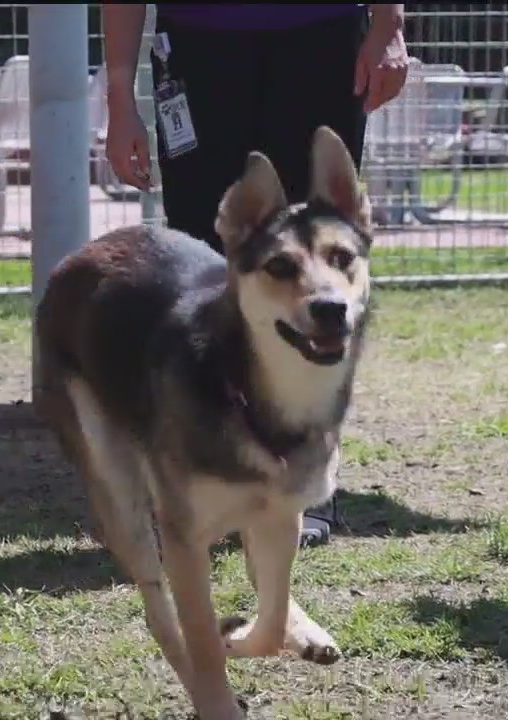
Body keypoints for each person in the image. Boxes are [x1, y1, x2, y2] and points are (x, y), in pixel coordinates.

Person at [102, 4, 409, 547]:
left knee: (316, 250)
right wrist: (120, 96)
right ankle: (212, 474)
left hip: (322, 33)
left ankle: (306, 481)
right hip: (199, 43)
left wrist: (389, 26)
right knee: (205, 255)